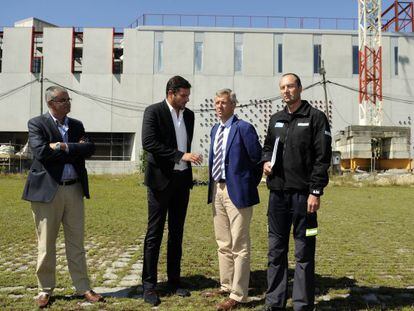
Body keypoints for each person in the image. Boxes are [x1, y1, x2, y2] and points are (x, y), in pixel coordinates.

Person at [22, 85, 103, 308]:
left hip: (74, 189)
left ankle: (83, 287)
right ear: (51, 104)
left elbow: (89, 149)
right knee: (46, 244)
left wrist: (63, 146)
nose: (68, 103)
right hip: (47, 192)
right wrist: (74, 149)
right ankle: (44, 290)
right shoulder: (37, 124)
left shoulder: (76, 125)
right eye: (63, 100)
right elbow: (42, 153)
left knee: (76, 243)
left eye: (68, 99)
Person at [261, 73, 332, 311]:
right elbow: (267, 147)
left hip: (304, 197)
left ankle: (302, 305)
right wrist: (265, 162)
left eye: (290, 86)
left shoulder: (316, 118)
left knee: (304, 253)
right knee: (275, 252)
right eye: (282, 87)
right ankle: (275, 303)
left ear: (300, 88)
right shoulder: (276, 119)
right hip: (278, 196)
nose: (286, 91)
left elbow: (322, 159)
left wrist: (315, 192)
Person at [141, 75, 202, 306]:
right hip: (160, 181)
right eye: (183, 95)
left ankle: (174, 281)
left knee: (177, 233)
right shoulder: (153, 112)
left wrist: (186, 159)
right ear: (171, 93)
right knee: (154, 234)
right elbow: (149, 143)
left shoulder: (189, 115)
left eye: (188, 95)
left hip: (182, 181)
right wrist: (180, 155)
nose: (187, 99)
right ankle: (149, 285)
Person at [204, 89, 262, 311]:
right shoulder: (214, 130)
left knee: (240, 244)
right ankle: (226, 285)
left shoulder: (244, 129)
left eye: (224, 102)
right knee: (223, 242)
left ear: (233, 105)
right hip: (217, 190)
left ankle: (239, 295)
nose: (219, 106)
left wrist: (246, 185)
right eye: (216, 102)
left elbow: (257, 160)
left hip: (238, 193)